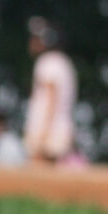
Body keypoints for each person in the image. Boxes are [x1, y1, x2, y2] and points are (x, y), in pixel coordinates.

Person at [24, 19, 79, 165]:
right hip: (60, 128)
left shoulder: (48, 62)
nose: (31, 42)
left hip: (49, 130)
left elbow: (51, 99)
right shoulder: (63, 62)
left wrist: (43, 134)